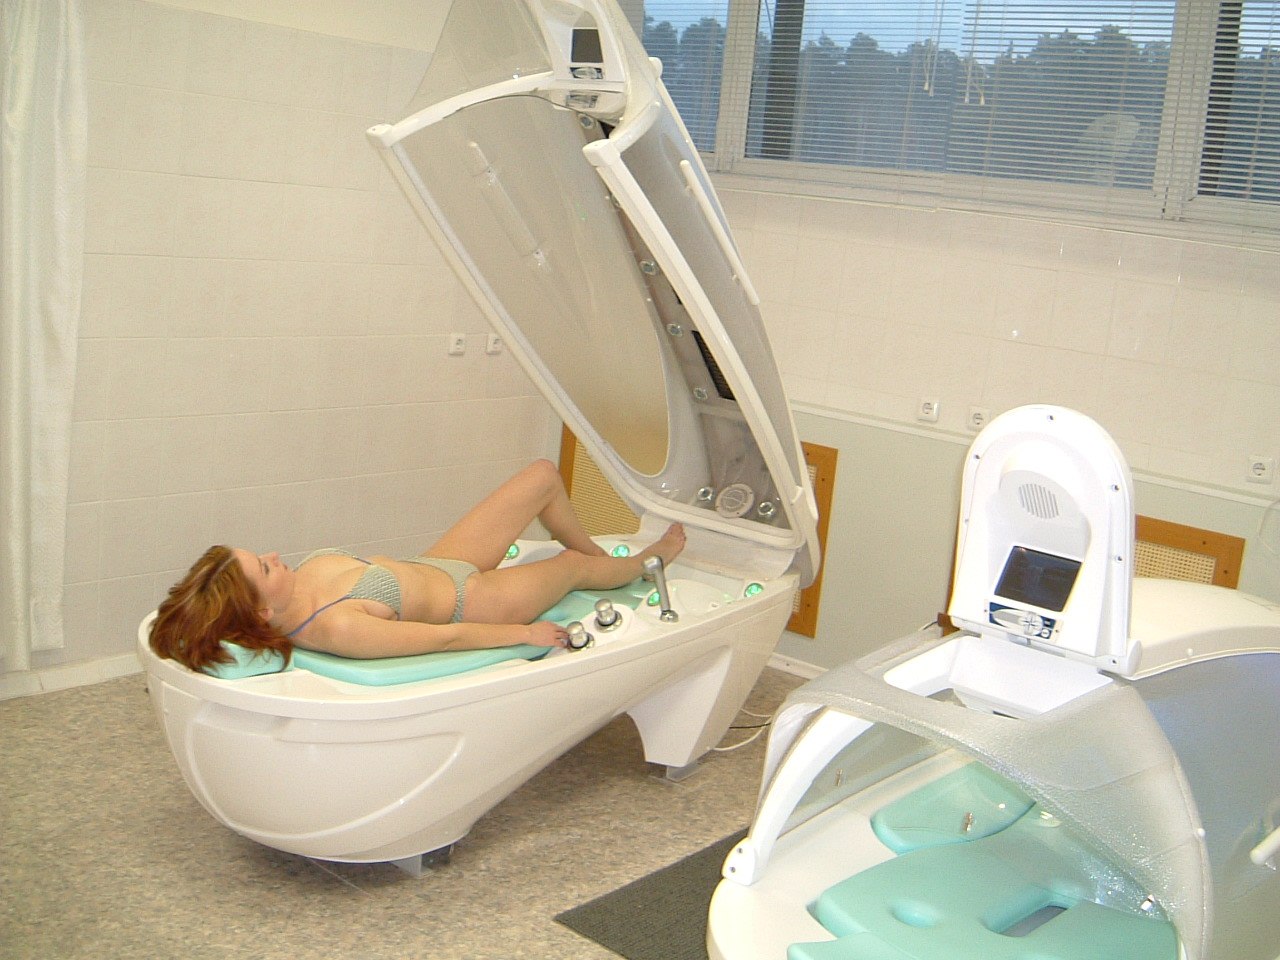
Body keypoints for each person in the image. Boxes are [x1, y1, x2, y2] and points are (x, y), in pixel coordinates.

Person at [149, 459, 685, 672]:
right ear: (263, 613)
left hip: (439, 565)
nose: (272, 557)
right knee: (568, 566)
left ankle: (596, 556)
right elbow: (442, 639)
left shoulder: (290, 592)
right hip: (473, 602)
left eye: (259, 556)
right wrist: (524, 633)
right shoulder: (338, 627)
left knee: (543, 476)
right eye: (263, 570)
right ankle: (644, 563)